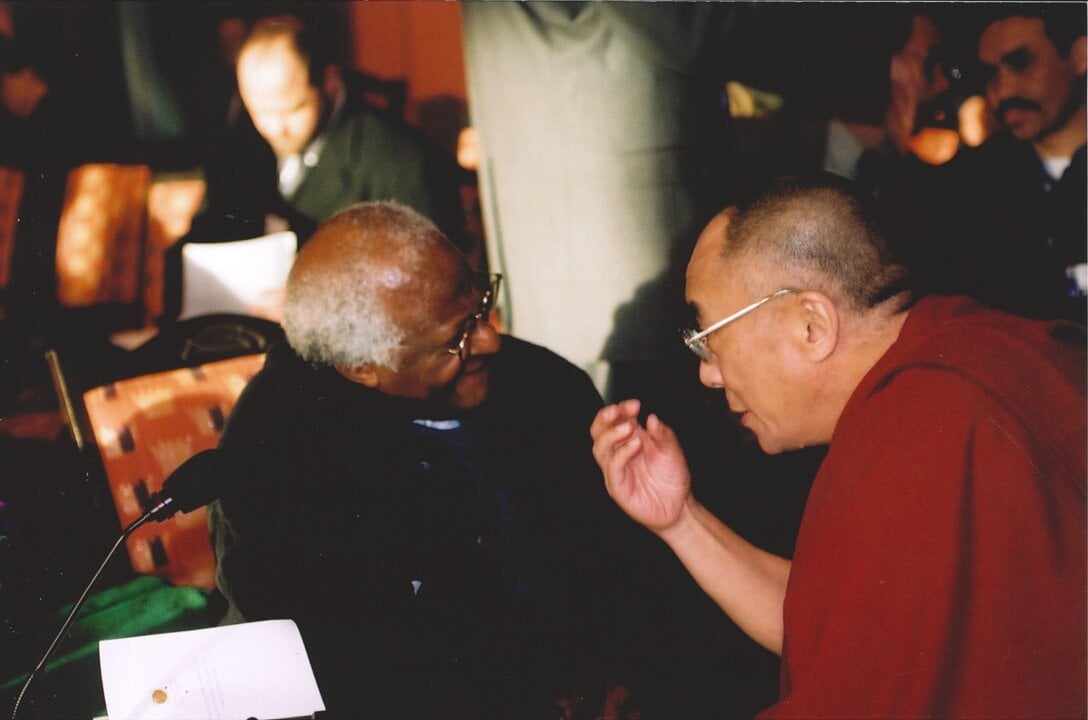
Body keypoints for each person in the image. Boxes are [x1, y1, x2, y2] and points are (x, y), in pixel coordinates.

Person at [591, 173, 1086, 718]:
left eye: (709, 337)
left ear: (811, 324)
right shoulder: (967, 355)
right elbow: (838, 629)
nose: (708, 374)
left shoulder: (926, 423)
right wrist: (680, 520)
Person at [207, 201, 633, 719]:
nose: (490, 340)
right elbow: (350, 674)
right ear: (361, 366)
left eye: (481, 307)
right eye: (457, 337)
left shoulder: (544, 385)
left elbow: (619, 559)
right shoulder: (278, 459)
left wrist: (620, 674)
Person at [163, 14, 462, 320]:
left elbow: (432, 275)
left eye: (293, 110)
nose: (275, 128)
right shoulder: (239, 145)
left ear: (329, 82)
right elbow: (205, 236)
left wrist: (323, 303)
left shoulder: (396, 157)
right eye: (260, 111)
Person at [886, 3, 1086, 323]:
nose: (1002, 91)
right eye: (991, 74)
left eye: (1021, 63)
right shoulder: (968, 187)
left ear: (1080, 55)